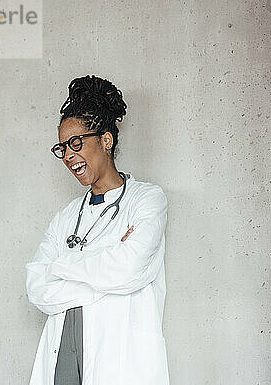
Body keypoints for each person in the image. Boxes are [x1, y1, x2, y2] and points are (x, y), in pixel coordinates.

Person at [25, 75, 170, 385]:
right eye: (62, 148)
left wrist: (61, 267)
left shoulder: (145, 200)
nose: (68, 155)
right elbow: (37, 287)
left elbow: (129, 269)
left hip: (118, 356)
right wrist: (105, 270)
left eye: (76, 143)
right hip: (63, 351)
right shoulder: (66, 217)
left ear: (106, 140)